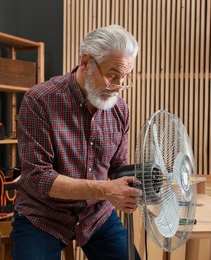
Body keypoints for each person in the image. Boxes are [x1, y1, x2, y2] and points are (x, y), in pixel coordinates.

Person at [10, 24, 142, 260]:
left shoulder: (120, 109)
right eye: (113, 74)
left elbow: (117, 168)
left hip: (96, 214)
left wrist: (143, 181)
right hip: (43, 214)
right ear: (85, 62)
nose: (119, 85)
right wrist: (105, 189)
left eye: (125, 77)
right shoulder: (39, 100)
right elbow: (39, 177)